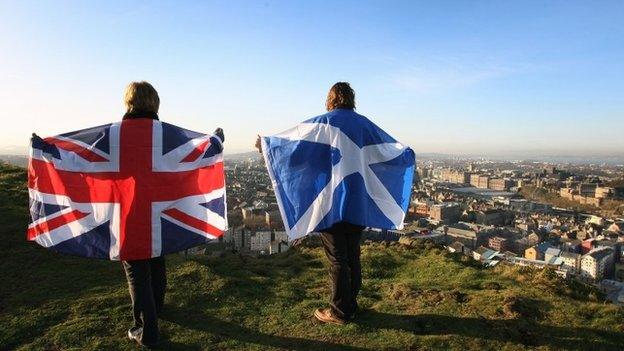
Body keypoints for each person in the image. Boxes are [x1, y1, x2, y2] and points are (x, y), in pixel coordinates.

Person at [120, 82, 223, 347]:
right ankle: (158, 307)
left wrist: (46, 150)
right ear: (155, 103)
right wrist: (215, 141)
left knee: (136, 270)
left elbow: (83, 157)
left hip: (130, 212)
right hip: (161, 211)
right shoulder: (165, 135)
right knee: (156, 258)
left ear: (129, 102)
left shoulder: (116, 136)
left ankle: (147, 330)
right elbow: (192, 153)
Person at [255, 82, 364, 325]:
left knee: (338, 258)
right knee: (352, 256)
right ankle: (351, 305)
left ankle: (339, 312)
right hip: (357, 201)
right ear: (351, 99)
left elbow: (295, 152)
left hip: (331, 202)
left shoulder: (323, 124)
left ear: (331, 99)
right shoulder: (363, 125)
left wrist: (266, 148)